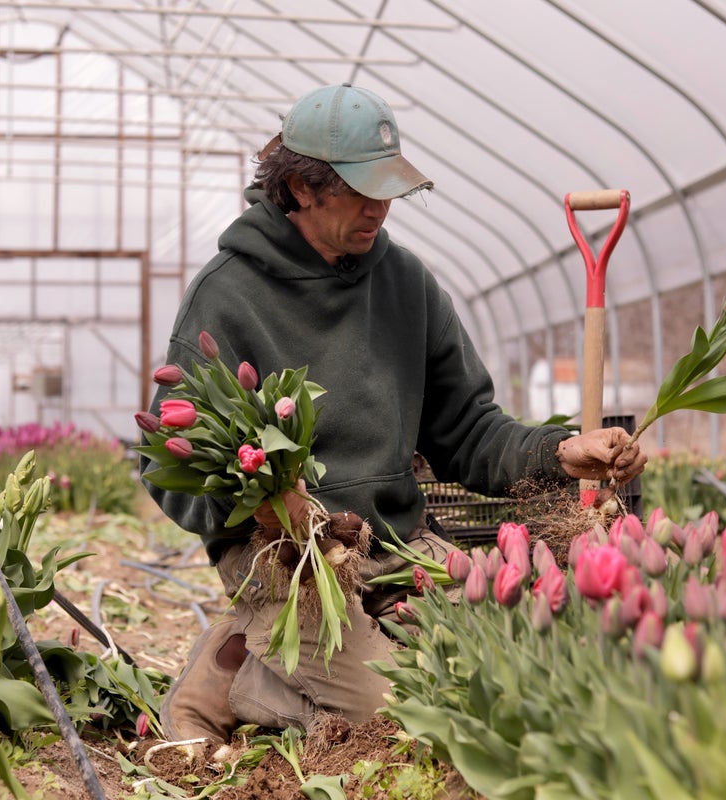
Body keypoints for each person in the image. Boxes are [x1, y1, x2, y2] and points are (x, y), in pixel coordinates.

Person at [141, 83, 647, 750]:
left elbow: (468, 432)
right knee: (403, 710)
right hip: (292, 561)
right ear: (297, 189)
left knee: (492, 672)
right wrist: (262, 505)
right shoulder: (229, 297)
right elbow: (166, 462)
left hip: (398, 548)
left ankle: (302, 654)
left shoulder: (407, 284)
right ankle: (234, 674)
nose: (380, 205)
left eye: (387, 188)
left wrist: (560, 453)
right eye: (359, 190)